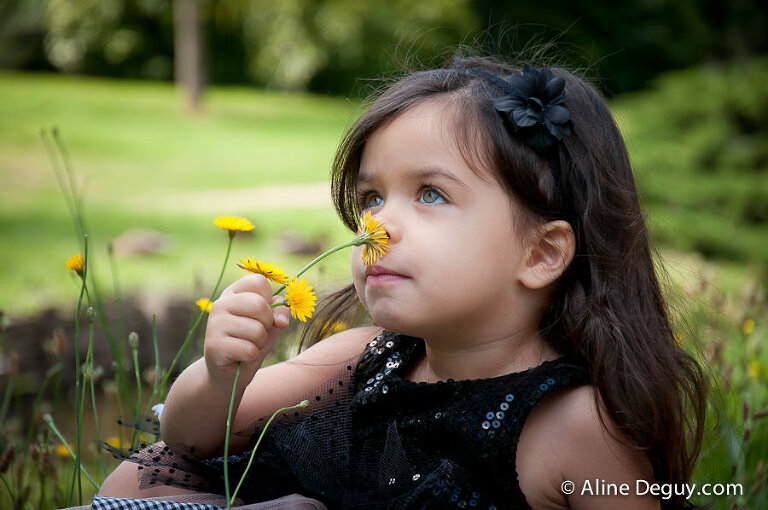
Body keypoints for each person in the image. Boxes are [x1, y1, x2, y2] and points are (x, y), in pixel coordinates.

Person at [97, 55, 708, 509]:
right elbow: (190, 438)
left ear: (542, 252)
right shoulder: (360, 356)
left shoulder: (572, 427)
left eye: (431, 194)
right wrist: (221, 375)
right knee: (138, 477)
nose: (377, 226)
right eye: (371, 197)